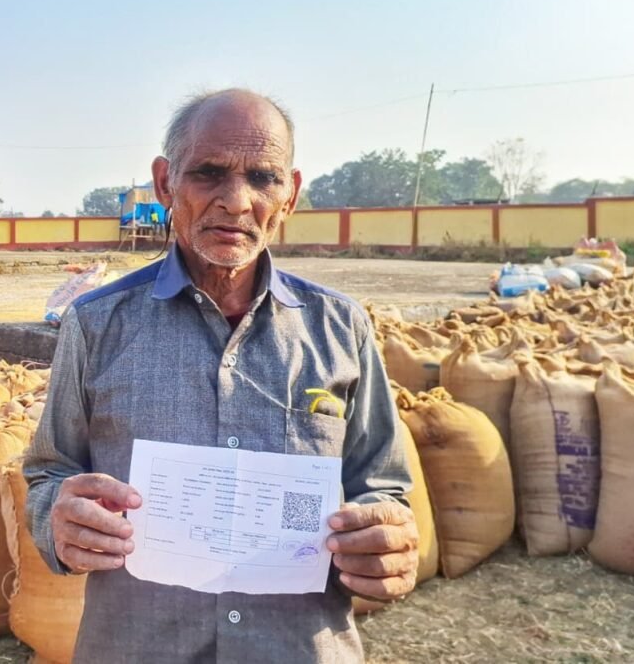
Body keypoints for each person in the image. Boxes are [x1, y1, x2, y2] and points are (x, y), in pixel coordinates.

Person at [24, 88, 418, 663]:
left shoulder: (341, 328)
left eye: (263, 178)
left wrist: (389, 536)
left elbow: (382, 485)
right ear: (166, 183)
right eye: (208, 173)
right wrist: (56, 520)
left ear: (290, 195)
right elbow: (49, 471)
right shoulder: (97, 323)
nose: (236, 202)